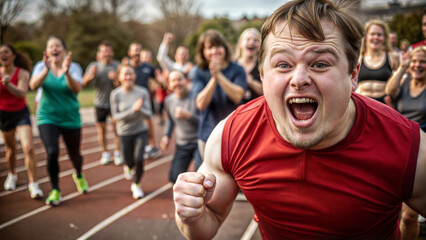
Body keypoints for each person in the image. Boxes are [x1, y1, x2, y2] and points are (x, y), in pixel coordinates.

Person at [172, 0, 426, 239]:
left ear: (353, 74)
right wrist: (190, 216)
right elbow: (207, 224)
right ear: (262, 75)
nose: (299, 79)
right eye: (283, 64)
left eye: (320, 64)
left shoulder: (408, 146)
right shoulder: (232, 135)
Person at [29, 35, 89, 206]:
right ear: (47, 52)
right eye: (51, 47)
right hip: (47, 117)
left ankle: (78, 174)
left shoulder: (74, 67)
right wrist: (46, 70)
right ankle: (55, 189)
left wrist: (67, 71)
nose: (54, 49)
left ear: (64, 50)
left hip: (70, 118)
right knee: (52, 151)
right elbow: (33, 86)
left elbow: (76, 89)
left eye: (57, 46)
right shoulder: (41, 66)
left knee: (74, 155)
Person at [385, 46, 426, 239]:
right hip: (398, 146)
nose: (418, 65)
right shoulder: (405, 80)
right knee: (395, 211)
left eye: (423, 62)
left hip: (421, 152)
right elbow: (389, 91)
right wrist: (402, 67)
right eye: (415, 62)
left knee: (409, 216)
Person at [190, 29, 246, 160]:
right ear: (203, 52)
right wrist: (214, 78)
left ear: (224, 48)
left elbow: (238, 96)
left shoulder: (238, 69)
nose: (215, 51)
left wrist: (219, 75)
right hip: (208, 134)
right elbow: (200, 104)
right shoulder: (198, 72)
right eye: (210, 48)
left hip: (235, 133)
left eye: (218, 46)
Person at [0, 44, 43, 199]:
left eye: (6, 52)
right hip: (4, 115)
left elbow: (21, 93)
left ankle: (33, 184)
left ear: (13, 56)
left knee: (28, 148)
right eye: (0, 53)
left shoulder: (22, 73)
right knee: (10, 150)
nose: (3, 55)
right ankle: (12, 174)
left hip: (21, 114)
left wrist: (8, 84)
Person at [110, 64, 152, 199]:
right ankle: (128, 167)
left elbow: (149, 114)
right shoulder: (115, 94)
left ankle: (137, 184)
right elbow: (115, 117)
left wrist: (140, 110)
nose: (128, 77)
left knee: (139, 159)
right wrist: (132, 110)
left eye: (131, 74)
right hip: (124, 133)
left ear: (135, 76)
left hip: (140, 130)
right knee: (129, 161)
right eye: (125, 74)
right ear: (120, 77)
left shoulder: (142, 92)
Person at [83, 41, 122, 166]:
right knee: (101, 130)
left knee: (116, 129)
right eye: (104, 51)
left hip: (115, 103)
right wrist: (91, 75)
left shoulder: (117, 66)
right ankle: (105, 153)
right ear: (99, 53)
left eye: (109, 51)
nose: (107, 53)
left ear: (112, 52)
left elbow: (122, 86)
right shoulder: (94, 66)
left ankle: (117, 153)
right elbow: (84, 83)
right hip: (100, 103)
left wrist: (115, 79)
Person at [160, 71, 200, 183]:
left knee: (201, 175)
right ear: (169, 85)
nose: (177, 83)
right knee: (174, 178)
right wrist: (166, 136)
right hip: (182, 144)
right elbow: (170, 120)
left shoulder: (197, 97)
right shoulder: (169, 100)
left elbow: (206, 123)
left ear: (186, 81)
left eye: (180, 79)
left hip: (199, 143)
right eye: (173, 80)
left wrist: (189, 116)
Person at [127, 42, 162, 159]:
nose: (137, 52)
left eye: (139, 50)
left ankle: (152, 147)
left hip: (145, 101)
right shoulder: (126, 68)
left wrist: (159, 83)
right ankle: (133, 149)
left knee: (148, 124)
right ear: (130, 53)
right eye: (135, 50)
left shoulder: (148, 67)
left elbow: (159, 82)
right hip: (129, 102)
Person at [355, 19, 399, 104]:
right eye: (372, 34)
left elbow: (401, 82)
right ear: (366, 36)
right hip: (362, 103)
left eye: (379, 35)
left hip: (384, 104)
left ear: (385, 37)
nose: (376, 37)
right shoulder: (358, 58)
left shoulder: (393, 57)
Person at [234, 28, 263, 103]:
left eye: (256, 40)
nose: (252, 42)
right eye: (248, 39)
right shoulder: (232, 65)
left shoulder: (263, 66)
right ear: (240, 43)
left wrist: (250, 82)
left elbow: (268, 92)